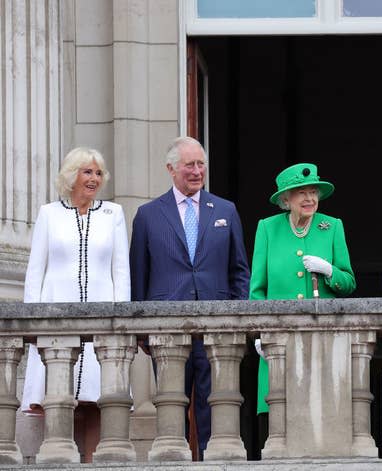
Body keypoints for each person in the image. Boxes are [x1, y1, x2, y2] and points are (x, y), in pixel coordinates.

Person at [129, 136, 250, 459]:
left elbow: (239, 270)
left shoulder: (226, 210)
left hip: (217, 328)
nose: (197, 171)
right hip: (168, 328)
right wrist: (141, 329)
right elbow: (139, 276)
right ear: (171, 169)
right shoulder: (148, 215)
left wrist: (238, 317)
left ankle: (214, 462)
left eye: (201, 164)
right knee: (172, 405)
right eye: (189, 165)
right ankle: (176, 463)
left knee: (216, 405)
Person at [23, 147, 130, 462]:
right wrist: (31, 323)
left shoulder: (113, 214)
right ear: (72, 176)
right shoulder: (48, 214)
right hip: (56, 319)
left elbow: (120, 272)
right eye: (87, 172)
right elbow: (35, 272)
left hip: (102, 321)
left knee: (98, 400)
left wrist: (121, 324)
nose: (94, 178)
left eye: (98, 173)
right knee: (59, 399)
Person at [250, 163, 355, 441]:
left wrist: (330, 271)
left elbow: (349, 283)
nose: (310, 199)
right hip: (279, 340)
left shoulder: (331, 227)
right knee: (277, 416)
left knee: (321, 416)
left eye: (313, 192)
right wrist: (259, 332)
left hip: (321, 339)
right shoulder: (267, 229)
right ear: (286, 200)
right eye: (301, 193)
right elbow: (257, 289)